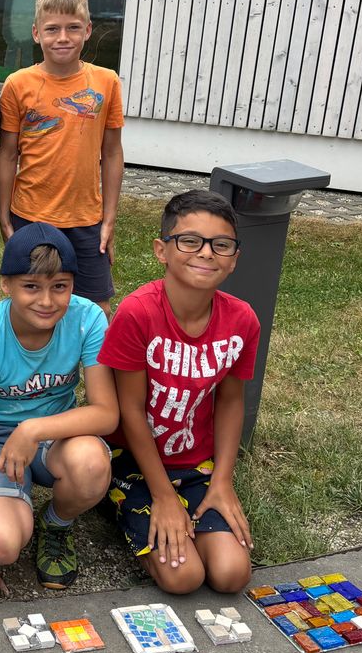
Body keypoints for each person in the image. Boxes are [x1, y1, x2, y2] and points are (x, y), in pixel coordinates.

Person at [98, 190, 259, 594]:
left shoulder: (242, 320)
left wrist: (223, 481)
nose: (206, 253)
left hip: (196, 465)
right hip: (133, 460)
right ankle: (118, 503)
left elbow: (231, 400)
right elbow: (131, 412)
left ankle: (188, 509)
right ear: (161, 250)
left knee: (231, 574)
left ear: (235, 257)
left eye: (221, 245)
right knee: (184, 577)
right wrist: (164, 497)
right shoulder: (137, 312)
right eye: (190, 241)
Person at [0, 223, 117, 595]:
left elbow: (106, 413)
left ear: (73, 286)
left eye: (59, 287)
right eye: (31, 287)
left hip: (52, 434)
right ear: (6, 285)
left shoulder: (88, 318)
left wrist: (32, 430)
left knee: (93, 463)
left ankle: (56, 523)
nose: (47, 301)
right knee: (0, 545)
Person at [0, 0, 124, 314]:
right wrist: (5, 217)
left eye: (73, 28)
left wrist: (108, 219)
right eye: (52, 29)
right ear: (36, 32)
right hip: (30, 215)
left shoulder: (107, 81)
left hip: (86, 217)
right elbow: (7, 155)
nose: (63, 38)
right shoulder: (17, 84)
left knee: (96, 309)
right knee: (32, 305)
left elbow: (111, 153)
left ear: (88, 29)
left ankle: (85, 368)